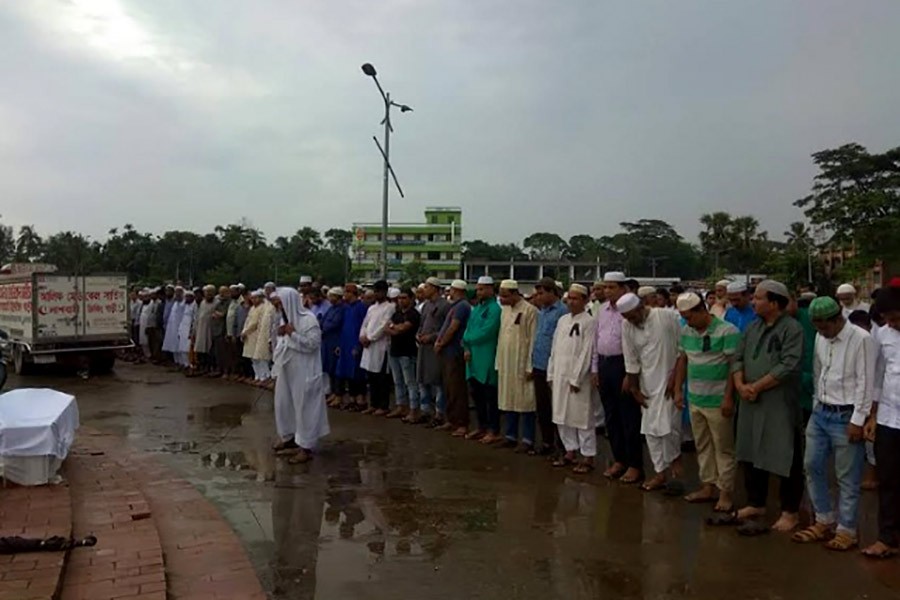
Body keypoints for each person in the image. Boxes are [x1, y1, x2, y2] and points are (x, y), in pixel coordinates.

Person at [791, 297, 874, 551]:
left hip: (846, 416)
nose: (822, 332)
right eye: (817, 327)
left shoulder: (861, 339)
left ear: (838, 319)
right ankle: (824, 520)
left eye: (825, 327)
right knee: (812, 466)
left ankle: (847, 530)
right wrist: (817, 403)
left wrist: (857, 420)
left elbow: (865, 382)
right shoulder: (820, 337)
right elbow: (819, 372)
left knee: (847, 477)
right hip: (821, 412)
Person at [732, 280, 805, 534]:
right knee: (750, 450)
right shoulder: (752, 328)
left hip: (778, 403)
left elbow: (788, 365)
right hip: (750, 401)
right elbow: (738, 357)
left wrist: (756, 387)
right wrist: (741, 384)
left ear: (774, 303)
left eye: (758, 298)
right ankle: (756, 503)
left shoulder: (792, 329)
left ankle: (790, 511)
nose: (753, 302)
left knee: (785, 454)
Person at [674, 292, 739, 512]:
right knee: (702, 445)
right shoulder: (686, 331)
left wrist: (729, 397)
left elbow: (734, 367)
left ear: (702, 310)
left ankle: (726, 492)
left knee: (723, 447)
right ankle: (707, 486)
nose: (687, 322)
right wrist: (678, 391)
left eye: (690, 317)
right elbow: (683, 360)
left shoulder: (727, 331)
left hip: (719, 399)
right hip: (695, 397)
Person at [618, 292, 683, 491]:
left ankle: (676, 467)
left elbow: (683, 349)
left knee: (670, 427)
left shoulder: (665, 316)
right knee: (650, 430)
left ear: (640, 307)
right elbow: (631, 359)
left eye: (632, 316)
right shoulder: (627, 326)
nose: (631, 321)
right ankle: (660, 473)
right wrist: (635, 388)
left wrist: (676, 379)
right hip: (647, 383)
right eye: (626, 318)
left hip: (669, 382)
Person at [592, 272, 643, 484]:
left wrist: (630, 375)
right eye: (605, 287)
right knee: (611, 417)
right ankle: (619, 460)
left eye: (612, 287)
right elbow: (597, 340)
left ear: (623, 289)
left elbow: (638, 345)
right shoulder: (602, 311)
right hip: (605, 364)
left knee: (628, 417)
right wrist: (595, 369)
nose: (607, 291)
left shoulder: (630, 311)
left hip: (624, 366)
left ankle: (634, 465)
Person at [271, 287, 330, 465]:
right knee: (283, 404)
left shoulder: (308, 320)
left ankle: (305, 447)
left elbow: (313, 344)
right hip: (287, 369)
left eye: (280, 303)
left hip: (305, 371)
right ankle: (289, 437)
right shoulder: (284, 319)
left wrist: (292, 334)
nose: (278, 307)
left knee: (304, 407)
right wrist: (281, 333)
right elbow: (282, 343)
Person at [861, 287, 900, 559]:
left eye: (896, 318)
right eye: (886, 318)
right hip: (888, 418)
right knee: (888, 481)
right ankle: (887, 538)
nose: (891, 323)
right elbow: (877, 376)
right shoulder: (882, 335)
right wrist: (872, 415)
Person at [548, 284, 598, 474]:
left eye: (576, 298)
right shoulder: (562, 320)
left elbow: (587, 352)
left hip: (579, 378)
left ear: (585, 301)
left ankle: (588, 456)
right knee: (561, 416)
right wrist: (551, 373)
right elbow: (555, 348)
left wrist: (576, 378)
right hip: (559, 375)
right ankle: (570, 451)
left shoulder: (589, 321)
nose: (571, 302)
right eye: (569, 298)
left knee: (582, 417)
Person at [496, 280, 539, 452]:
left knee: (526, 402)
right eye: (501, 295)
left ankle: (528, 440)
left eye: (505, 296)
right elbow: (501, 336)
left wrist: (530, 366)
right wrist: (498, 361)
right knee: (508, 400)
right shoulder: (504, 310)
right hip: (506, 363)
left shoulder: (530, 310)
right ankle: (510, 436)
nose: (502, 299)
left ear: (515, 294)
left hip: (522, 363)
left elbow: (533, 339)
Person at [463, 276, 502, 443]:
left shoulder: (495, 309)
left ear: (490, 289)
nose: (478, 292)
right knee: (476, 395)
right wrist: (466, 346)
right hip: (471, 358)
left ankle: (494, 430)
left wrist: (468, 339)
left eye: (481, 289)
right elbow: (468, 329)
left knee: (490, 397)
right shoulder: (477, 308)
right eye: (477, 289)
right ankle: (481, 427)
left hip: (486, 356)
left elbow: (487, 331)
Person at [532, 277, 568, 456]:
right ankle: (547, 443)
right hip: (539, 363)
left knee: (557, 408)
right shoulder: (543, 311)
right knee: (543, 407)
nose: (538, 297)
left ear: (552, 292)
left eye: (541, 293)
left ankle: (562, 446)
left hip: (554, 367)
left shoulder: (562, 312)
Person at [435, 280, 473, 436]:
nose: (448, 293)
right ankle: (451, 420)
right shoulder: (454, 306)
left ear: (456, 290)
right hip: (447, 352)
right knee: (449, 389)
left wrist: (441, 343)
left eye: (450, 290)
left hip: (454, 352)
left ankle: (461, 423)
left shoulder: (462, 306)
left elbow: (453, 327)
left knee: (457, 389)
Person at [416, 278, 450, 426]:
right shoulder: (425, 306)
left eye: (427, 287)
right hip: (423, 348)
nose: (424, 290)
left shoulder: (445, 306)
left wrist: (432, 337)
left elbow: (446, 328)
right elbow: (422, 324)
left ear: (435, 289)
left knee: (437, 381)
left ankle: (439, 414)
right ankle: (425, 411)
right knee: (423, 379)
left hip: (436, 348)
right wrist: (418, 334)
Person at [384, 287, 421, 421]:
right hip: (394, 350)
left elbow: (403, 328)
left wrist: (394, 328)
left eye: (404, 298)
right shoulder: (397, 313)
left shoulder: (413, 314)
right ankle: (401, 406)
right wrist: (395, 328)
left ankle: (414, 410)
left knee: (410, 382)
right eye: (399, 298)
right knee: (397, 381)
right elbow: (386, 328)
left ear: (411, 299)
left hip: (408, 351)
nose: (401, 301)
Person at [359, 280, 395, 416]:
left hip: (381, 346)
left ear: (385, 292)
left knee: (381, 377)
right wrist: (362, 336)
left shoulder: (390, 307)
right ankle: (373, 404)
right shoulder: (371, 308)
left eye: (379, 291)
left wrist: (371, 338)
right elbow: (365, 324)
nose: (376, 294)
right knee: (371, 376)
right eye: (375, 291)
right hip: (368, 346)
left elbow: (383, 326)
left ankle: (383, 405)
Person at [336, 284, 368, 411]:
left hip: (355, 344)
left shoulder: (361, 307)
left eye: (347, 292)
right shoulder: (346, 308)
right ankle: (352, 399)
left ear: (352, 293)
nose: (345, 294)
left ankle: (361, 400)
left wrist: (358, 346)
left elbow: (363, 326)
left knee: (358, 373)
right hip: (345, 343)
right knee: (347, 372)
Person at [322, 288, 346, 408]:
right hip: (327, 341)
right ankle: (333, 392)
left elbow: (335, 323)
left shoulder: (342, 309)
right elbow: (324, 320)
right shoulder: (331, 308)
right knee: (330, 368)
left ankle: (339, 395)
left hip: (335, 341)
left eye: (332, 296)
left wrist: (323, 329)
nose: (330, 299)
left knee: (337, 370)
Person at [241, 291, 269, 384]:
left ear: (261, 298)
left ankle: (264, 377)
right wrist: (244, 331)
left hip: (257, 335)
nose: (254, 300)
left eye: (256, 298)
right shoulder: (252, 308)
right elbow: (248, 321)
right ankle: (257, 376)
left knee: (260, 358)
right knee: (253, 358)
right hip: (249, 336)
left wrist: (246, 331)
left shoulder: (263, 307)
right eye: (252, 298)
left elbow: (254, 323)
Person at [162, 286, 185, 361]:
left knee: (180, 346)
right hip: (172, 328)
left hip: (181, 328)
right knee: (173, 345)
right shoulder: (175, 303)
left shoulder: (184, 303)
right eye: (176, 292)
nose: (177, 294)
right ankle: (177, 362)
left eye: (179, 292)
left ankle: (183, 363)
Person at [175, 289, 196, 369]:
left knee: (188, 348)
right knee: (182, 348)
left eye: (188, 297)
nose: (187, 299)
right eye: (186, 297)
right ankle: (184, 364)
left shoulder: (194, 305)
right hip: (183, 327)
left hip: (189, 328)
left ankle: (190, 365)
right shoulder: (185, 305)